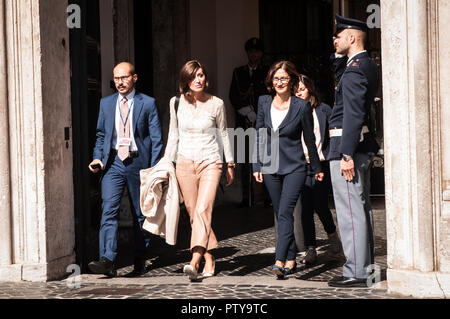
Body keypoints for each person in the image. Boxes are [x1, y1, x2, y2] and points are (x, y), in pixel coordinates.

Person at [88, 62, 163, 277]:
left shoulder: (147, 103)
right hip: (112, 163)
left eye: (124, 77)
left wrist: (154, 169)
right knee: (109, 209)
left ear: (135, 78)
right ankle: (107, 260)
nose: (120, 82)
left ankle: (140, 258)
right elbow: (101, 134)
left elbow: (156, 138)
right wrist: (97, 157)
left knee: (140, 213)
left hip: (138, 162)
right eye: (116, 78)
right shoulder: (106, 103)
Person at [164, 60, 235, 281]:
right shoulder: (175, 103)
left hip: (210, 162)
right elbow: (173, 135)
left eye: (201, 75)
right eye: (193, 76)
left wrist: (230, 163)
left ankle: (194, 260)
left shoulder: (217, 104)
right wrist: (167, 164)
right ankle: (210, 258)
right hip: (184, 163)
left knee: (204, 209)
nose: (198, 79)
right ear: (185, 80)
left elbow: (223, 133)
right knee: (194, 213)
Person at [252, 61, 323, 279]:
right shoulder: (264, 102)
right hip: (271, 166)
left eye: (284, 78)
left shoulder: (301, 106)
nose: (280, 82)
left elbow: (309, 140)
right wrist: (257, 165)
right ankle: (291, 257)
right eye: (276, 78)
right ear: (271, 82)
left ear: (291, 80)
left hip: (295, 167)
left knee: (285, 212)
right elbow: (259, 135)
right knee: (280, 212)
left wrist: (316, 167)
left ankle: (280, 259)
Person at [327, 15, 380, 288]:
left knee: (350, 212)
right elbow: (342, 79)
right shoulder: (362, 65)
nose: (333, 40)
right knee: (360, 208)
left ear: (351, 38)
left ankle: (356, 272)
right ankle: (366, 269)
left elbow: (353, 113)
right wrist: (338, 55)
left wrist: (346, 154)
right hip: (359, 147)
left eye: (338, 36)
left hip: (347, 148)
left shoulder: (356, 69)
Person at [295, 74, 341, 265]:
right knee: (306, 208)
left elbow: (334, 133)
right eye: (296, 91)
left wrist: (332, 154)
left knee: (321, 205)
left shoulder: (323, 110)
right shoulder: (292, 111)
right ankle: (311, 248)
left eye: (302, 90)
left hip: (320, 163)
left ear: (310, 90)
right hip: (300, 165)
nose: (299, 93)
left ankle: (332, 235)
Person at [229, 37, 269, 207]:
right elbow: (234, 96)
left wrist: (260, 114)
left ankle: (265, 197)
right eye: (251, 52)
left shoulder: (267, 71)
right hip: (245, 121)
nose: (254, 54)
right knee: (245, 159)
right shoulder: (239, 72)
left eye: (257, 51)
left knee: (265, 158)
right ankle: (247, 197)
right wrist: (245, 111)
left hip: (263, 122)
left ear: (260, 53)